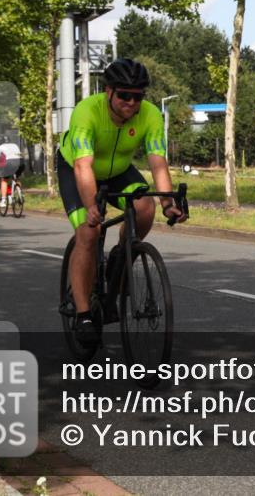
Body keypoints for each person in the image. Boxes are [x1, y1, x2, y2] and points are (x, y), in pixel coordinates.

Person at [56, 58, 186, 347]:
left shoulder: (151, 115)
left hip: (117, 171)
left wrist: (168, 203)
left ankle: (121, 254)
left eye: (137, 96)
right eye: (124, 95)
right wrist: (92, 206)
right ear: (109, 91)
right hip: (76, 168)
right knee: (89, 233)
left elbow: (157, 163)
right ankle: (84, 314)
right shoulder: (86, 112)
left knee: (144, 206)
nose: (131, 102)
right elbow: (83, 166)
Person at [0, 136, 24, 207]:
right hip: (21, 162)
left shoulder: (0, 147)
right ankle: (20, 194)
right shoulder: (15, 145)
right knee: (17, 178)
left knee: (4, 180)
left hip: (11, 162)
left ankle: (3, 201)